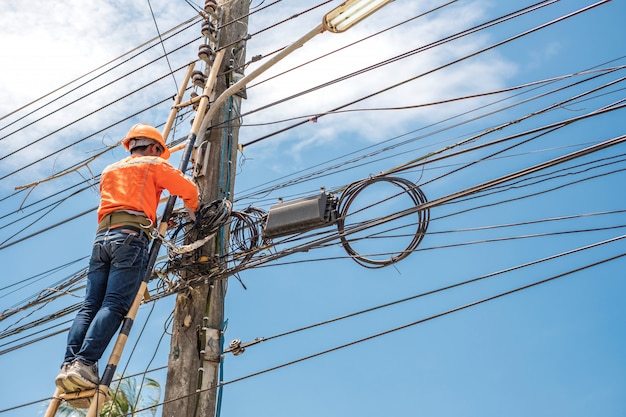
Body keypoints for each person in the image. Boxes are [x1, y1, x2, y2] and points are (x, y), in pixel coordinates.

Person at [55, 123, 199, 393]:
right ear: (154, 148)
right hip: (130, 238)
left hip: (101, 239)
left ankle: (69, 365)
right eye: (159, 152)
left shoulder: (111, 170)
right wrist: (195, 209)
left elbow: (135, 196)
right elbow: (187, 190)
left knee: (90, 305)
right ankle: (85, 363)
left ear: (131, 145)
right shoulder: (154, 165)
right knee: (115, 304)